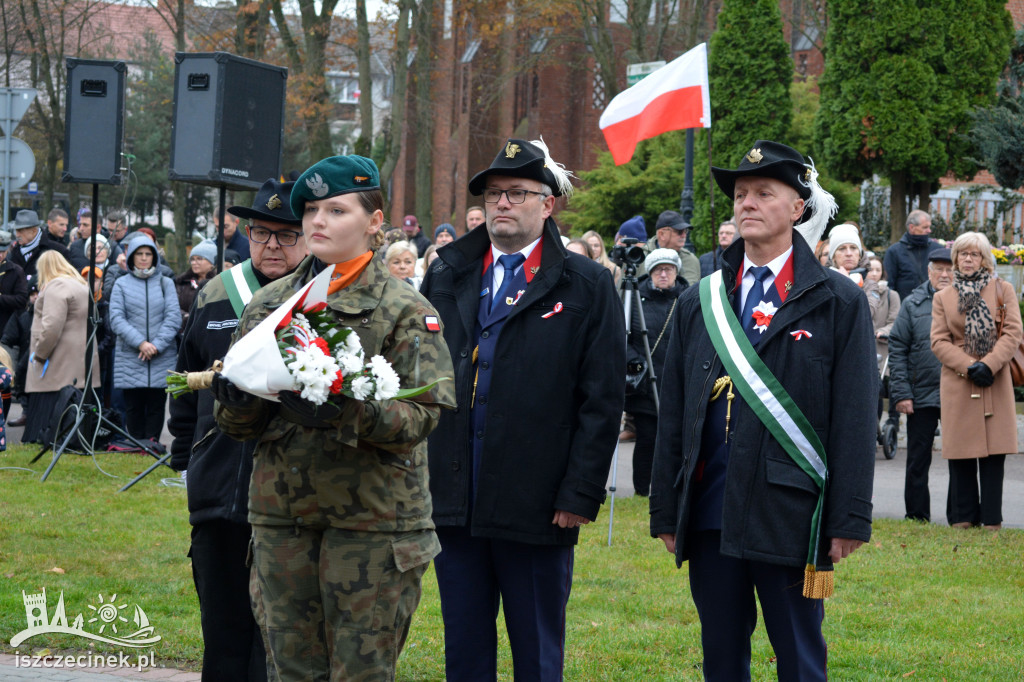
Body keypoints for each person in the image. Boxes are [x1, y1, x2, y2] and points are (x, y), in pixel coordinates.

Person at [212, 155, 455, 681]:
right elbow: (235, 427)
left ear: (374, 221)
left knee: (360, 674)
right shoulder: (271, 304)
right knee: (291, 672)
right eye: (312, 210)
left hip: (372, 526)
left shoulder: (406, 309)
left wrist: (345, 411)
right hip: (282, 520)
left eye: (337, 210)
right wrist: (238, 402)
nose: (318, 221)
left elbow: (423, 415)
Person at [649, 140, 876, 680]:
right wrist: (665, 507)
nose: (746, 203)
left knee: (799, 657)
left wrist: (849, 516)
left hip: (792, 513)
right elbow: (674, 412)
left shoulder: (837, 300)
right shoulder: (698, 300)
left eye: (763, 193)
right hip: (710, 511)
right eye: (741, 194)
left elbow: (854, 416)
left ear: (798, 208)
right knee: (722, 658)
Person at [421, 137, 625, 681]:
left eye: (516, 193)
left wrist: (579, 492)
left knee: (536, 654)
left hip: (537, 503)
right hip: (455, 497)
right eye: (492, 194)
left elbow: (601, 400)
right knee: (464, 650)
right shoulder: (447, 274)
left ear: (548, 203)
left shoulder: (586, 283)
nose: (502, 204)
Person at [168, 178, 308, 682]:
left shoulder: (322, 299)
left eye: (286, 235)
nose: (272, 245)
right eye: (261, 232)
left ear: (308, 236)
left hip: (291, 500)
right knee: (223, 637)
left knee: (278, 645)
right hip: (218, 494)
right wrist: (187, 460)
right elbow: (185, 383)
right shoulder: (215, 294)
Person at [931, 231, 1021, 530]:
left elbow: (1012, 333)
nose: (968, 259)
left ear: (985, 259)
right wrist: (970, 367)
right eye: (963, 254)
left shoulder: (1002, 289)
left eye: (975, 254)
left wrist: (990, 364)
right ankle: (963, 520)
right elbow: (939, 342)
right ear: (955, 258)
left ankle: (992, 521)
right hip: (959, 383)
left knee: (994, 456)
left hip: (995, 382)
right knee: (961, 455)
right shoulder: (943, 297)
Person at [888, 248, 952, 522]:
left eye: (950, 269)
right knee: (917, 459)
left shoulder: (966, 301)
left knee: (962, 460)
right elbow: (898, 347)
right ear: (929, 271)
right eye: (939, 268)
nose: (945, 274)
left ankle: (962, 517)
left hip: (956, 395)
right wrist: (902, 392)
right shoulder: (912, 303)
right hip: (921, 394)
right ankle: (916, 515)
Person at [108, 235, 180, 443]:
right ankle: (136, 443)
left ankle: (152, 444)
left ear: (154, 257)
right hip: (132, 355)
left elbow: (173, 317)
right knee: (134, 405)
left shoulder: (166, 283)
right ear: (131, 257)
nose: (143, 258)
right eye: (139, 254)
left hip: (161, 355)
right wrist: (141, 343)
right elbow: (117, 319)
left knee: (157, 405)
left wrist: (155, 345)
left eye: (148, 254)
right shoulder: (121, 284)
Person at [23, 251, 100, 443]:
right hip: (80, 358)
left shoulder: (56, 286)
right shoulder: (80, 285)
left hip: (58, 362)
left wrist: (40, 354)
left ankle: (42, 437)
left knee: (51, 409)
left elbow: (51, 326)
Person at [626, 248, 686, 497]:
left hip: (674, 382)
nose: (663, 274)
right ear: (650, 273)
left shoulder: (686, 297)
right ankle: (642, 489)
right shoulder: (635, 297)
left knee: (674, 439)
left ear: (676, 272)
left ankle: (671, 488)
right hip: (644, 384)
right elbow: (623, 335)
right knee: (647, 438)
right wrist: (634, 361)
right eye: (658, 270)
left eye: (668, 269)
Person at [884, 210, 933, 303]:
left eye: (929, 227)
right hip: (905, 308)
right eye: (925, 227)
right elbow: (890, 285)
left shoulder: (936, 249)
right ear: (912, 227)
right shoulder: (894, 252)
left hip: (933, 307)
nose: (929, 230)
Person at [8, 209, 73, 278]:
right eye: (16, 231)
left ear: (33, 231)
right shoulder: (12, 253)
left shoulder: (59, 250)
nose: (17, 235)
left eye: (20, 231)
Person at [643, 210, 700, 284]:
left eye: (685, 231)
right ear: (662, 234)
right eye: (679, 232)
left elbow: (692, 292)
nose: (684, 235)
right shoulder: (640, 257)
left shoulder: (690, 260)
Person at [174, 240, 217, 329]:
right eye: (192, 259)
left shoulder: (218, 283)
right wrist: (185, 317)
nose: (194, 262)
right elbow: (174, 305)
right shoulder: (183, 282)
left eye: (199, 259)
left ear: (212, 262)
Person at [0, 229, 28, 339]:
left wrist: (1, 298)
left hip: (5, 330)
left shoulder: (15, 271)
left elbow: (21, 300)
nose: (0, 255)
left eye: (3, 251)